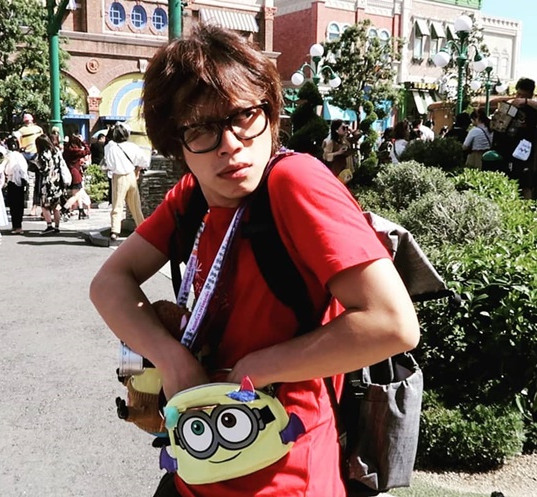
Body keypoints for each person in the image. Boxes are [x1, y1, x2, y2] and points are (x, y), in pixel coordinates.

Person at [89, 24, 419, 497]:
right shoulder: (193, 195)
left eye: (244, 115)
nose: (230, 143)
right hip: (198, 464)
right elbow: (109, 283)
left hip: (286, 474)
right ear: (176, 145)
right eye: (200, 128)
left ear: (269, 111)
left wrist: (255, 368)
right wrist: (172, 359)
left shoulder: (295, 182)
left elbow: (392, 323)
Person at [102, 122, 149, 240]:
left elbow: (109, 165)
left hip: (119, 177)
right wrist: (137, 170)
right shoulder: (133, 146)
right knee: (135, 205)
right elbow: (144, 161)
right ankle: (143, 228)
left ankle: (115, 230)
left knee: (117, 205)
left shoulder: (111, 147)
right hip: (131, 175)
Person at [494, 77, 537, 198]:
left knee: (525, 183)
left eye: (523, 96)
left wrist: (526, 102)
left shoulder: (532, 109)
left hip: (525, 152)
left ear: (530, 95)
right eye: (518, 94)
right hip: (507, 149)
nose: (519, 98)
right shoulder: (511, 107)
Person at [35, 134, 66, 235]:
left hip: (46, 182)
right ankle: (57, 227)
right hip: (56, 181)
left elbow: (44, 169)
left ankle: (49, 225)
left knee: (45, 205)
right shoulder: (56, 151)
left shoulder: (43, 154)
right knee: (56, 205)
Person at [2, 135, 29, 234]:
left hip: (12, 181)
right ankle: (18, 225)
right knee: (19, 204)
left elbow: (7, 169)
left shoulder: (8, 155)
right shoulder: (20, 156)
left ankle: (16, 226)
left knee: (13, 205)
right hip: (21, 182)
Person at [62, 135, 92, 219]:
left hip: (70, 173)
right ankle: (64, 209)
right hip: (76, 174)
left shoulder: (66, 150)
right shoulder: (75, 151)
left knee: (78, 193)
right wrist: (83, 142)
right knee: (76, 195)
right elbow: (87, 151)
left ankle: (81, 211)